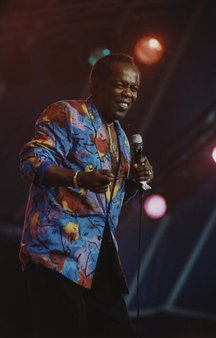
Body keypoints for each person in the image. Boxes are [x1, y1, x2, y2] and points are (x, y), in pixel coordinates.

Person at [19, 53, 153, 337]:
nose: (128, 93)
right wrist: (77, 178)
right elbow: (31, 161)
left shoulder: (121, 139)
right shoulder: (67, 113)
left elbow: (108, 201)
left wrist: (131, 183)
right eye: (120, 85)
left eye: (134, 88)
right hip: (57, 253)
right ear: (97, 86)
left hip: (97, 258)